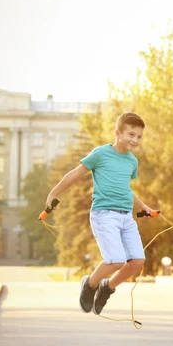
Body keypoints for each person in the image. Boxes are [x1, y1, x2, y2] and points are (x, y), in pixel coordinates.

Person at [45, 112, 153, 316]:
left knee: (137, 262)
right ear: (117, 132)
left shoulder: (132, 162)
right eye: (131, 134)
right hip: (104, 215)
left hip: (126, 218)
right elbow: (75, 174)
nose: (135, 140)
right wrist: (53, 193)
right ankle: (90, 283)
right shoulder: (100, 154)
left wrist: (143, 206)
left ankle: (107, 288)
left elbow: (125, 190)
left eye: (139, 136)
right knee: (116, 260)